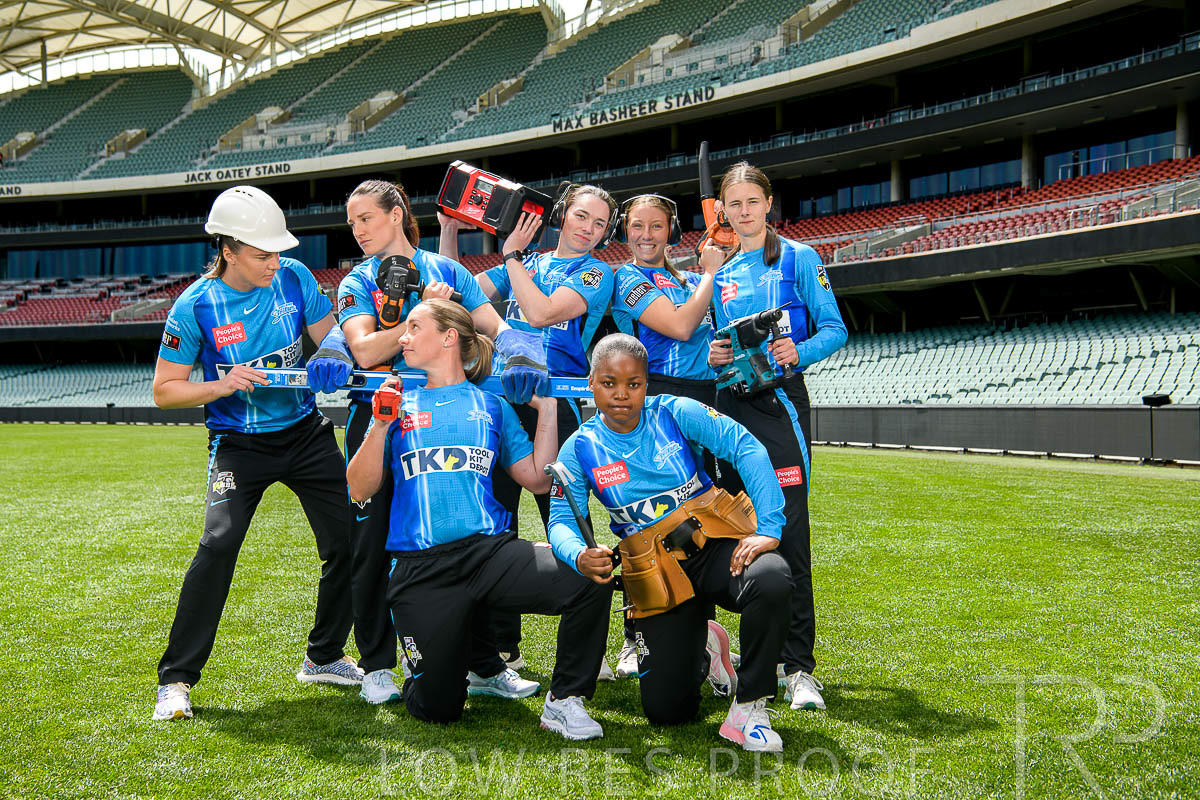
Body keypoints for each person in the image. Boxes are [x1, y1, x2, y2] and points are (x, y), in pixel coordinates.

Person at [305, 179, 545, 703]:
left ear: (396, 214)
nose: (357, 230)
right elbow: (365, 351)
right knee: (371, 541)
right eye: (351, 222)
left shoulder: (449, 270)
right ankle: (376, 666)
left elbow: (493, 327)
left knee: (473, 538)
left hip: (457, 415)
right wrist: (422, 314)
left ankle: (485, 665)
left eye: (366, 218)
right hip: (383, 416)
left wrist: (521, 348)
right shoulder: (358, 279)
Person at [346, 299, 611, 738]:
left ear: (448, 337)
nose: (403, 338)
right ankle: (440, 660)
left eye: (414, 328)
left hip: (489, 555)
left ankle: (565, 701)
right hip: (421, 568)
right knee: (439, 708)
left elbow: (536, 479)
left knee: (589, 575)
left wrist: (547, 410)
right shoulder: (399, 402)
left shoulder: (491, 405)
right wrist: (378, 425)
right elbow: (359, 489)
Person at [151, 185, 357, 721]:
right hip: (238, 445)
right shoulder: (195, 305)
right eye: (263, 254)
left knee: (349, 540)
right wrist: (221, 385)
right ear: (229, 251)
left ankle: (325, 657)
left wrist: (334, 349)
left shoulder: (295, 277)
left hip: (307, 433)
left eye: (278, 252)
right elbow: (165, 391)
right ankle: (175, 681)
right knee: (218, 545)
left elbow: (330, 336)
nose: (274, 263)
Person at [548, 334, 794, 752]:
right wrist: (578, 554)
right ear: (591, 384)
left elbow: (745, 446)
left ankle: (749, 707)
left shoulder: (675, 411)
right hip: (656, 575)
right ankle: (706, 647)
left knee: (772, 578)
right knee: (668, 712)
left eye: (633, 384)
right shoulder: (579, 448)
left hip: (713, 547)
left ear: (647, 383)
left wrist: (769, 526)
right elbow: (560, 521)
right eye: (608, 383)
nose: (622, 394)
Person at [707, 162, 848, 712]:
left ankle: (798, 668)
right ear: (723, 210)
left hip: (780, 407)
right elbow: (719, 345)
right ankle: (750, 658)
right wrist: (717, 354)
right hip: (731, 407)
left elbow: (835, 329)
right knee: (737, 526)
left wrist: (798, 352)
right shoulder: (722, 274)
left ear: (769, 203)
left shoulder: (799, 258)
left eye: (752, 202)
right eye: (734, 204)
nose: (744, 212)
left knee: (788, 533)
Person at [609, 193, 725, 678]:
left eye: (656, 226)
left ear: (672, 231)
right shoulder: (626, 278)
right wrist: (713, 273)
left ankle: (705, 636)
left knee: (701, 521)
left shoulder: (691, 280)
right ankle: (635, 635)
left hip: (706, 400)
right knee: (648, 521)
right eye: (637, 226)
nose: (646, 235)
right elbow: (679, 326)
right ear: (625, 230)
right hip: (658, 399)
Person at [476, 183, 617, 529]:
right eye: (581, 216)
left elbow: (541, 314)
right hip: (501, 395)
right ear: (562, 215)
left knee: (565, 517)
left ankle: (579, 566)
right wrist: (449, 231)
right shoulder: (528, 263)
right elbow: (462, 293)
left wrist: (511, 256)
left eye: (599, 223)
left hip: (555, 398)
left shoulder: (597, 272)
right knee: (494, 514)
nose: (588, 228)